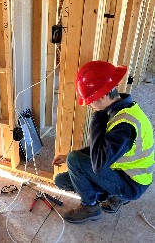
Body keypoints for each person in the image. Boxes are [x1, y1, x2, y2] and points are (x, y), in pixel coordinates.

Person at [52, 60, 154, 223]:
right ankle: (110, 192)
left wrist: (98, 118)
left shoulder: (124, 126)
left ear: (104, 94)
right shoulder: (123, 109)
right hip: (123, 170)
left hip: (132, 183)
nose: (90, 105)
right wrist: (71, 155)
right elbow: (104, 149)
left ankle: (90, 206)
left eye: (91, 100)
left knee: (75, 160)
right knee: (62, 180)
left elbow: (98, 164)